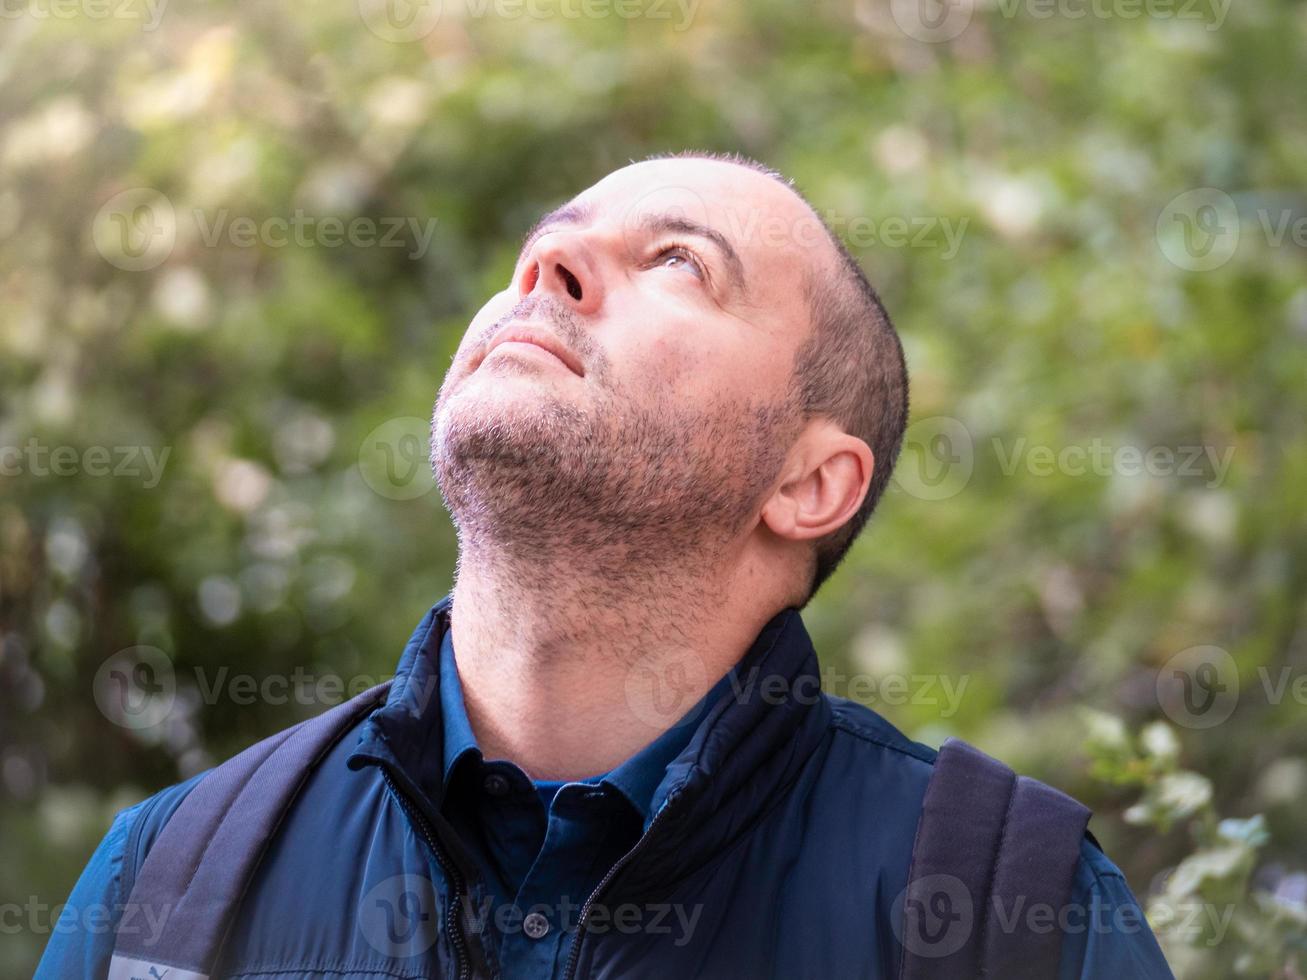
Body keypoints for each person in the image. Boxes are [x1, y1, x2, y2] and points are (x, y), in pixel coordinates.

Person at [38, 153, 1174, 979]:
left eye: (680, 262)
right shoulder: (170, 881)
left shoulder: (1004, 913)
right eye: (548, 240)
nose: (548, 262)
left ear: (808, 481)